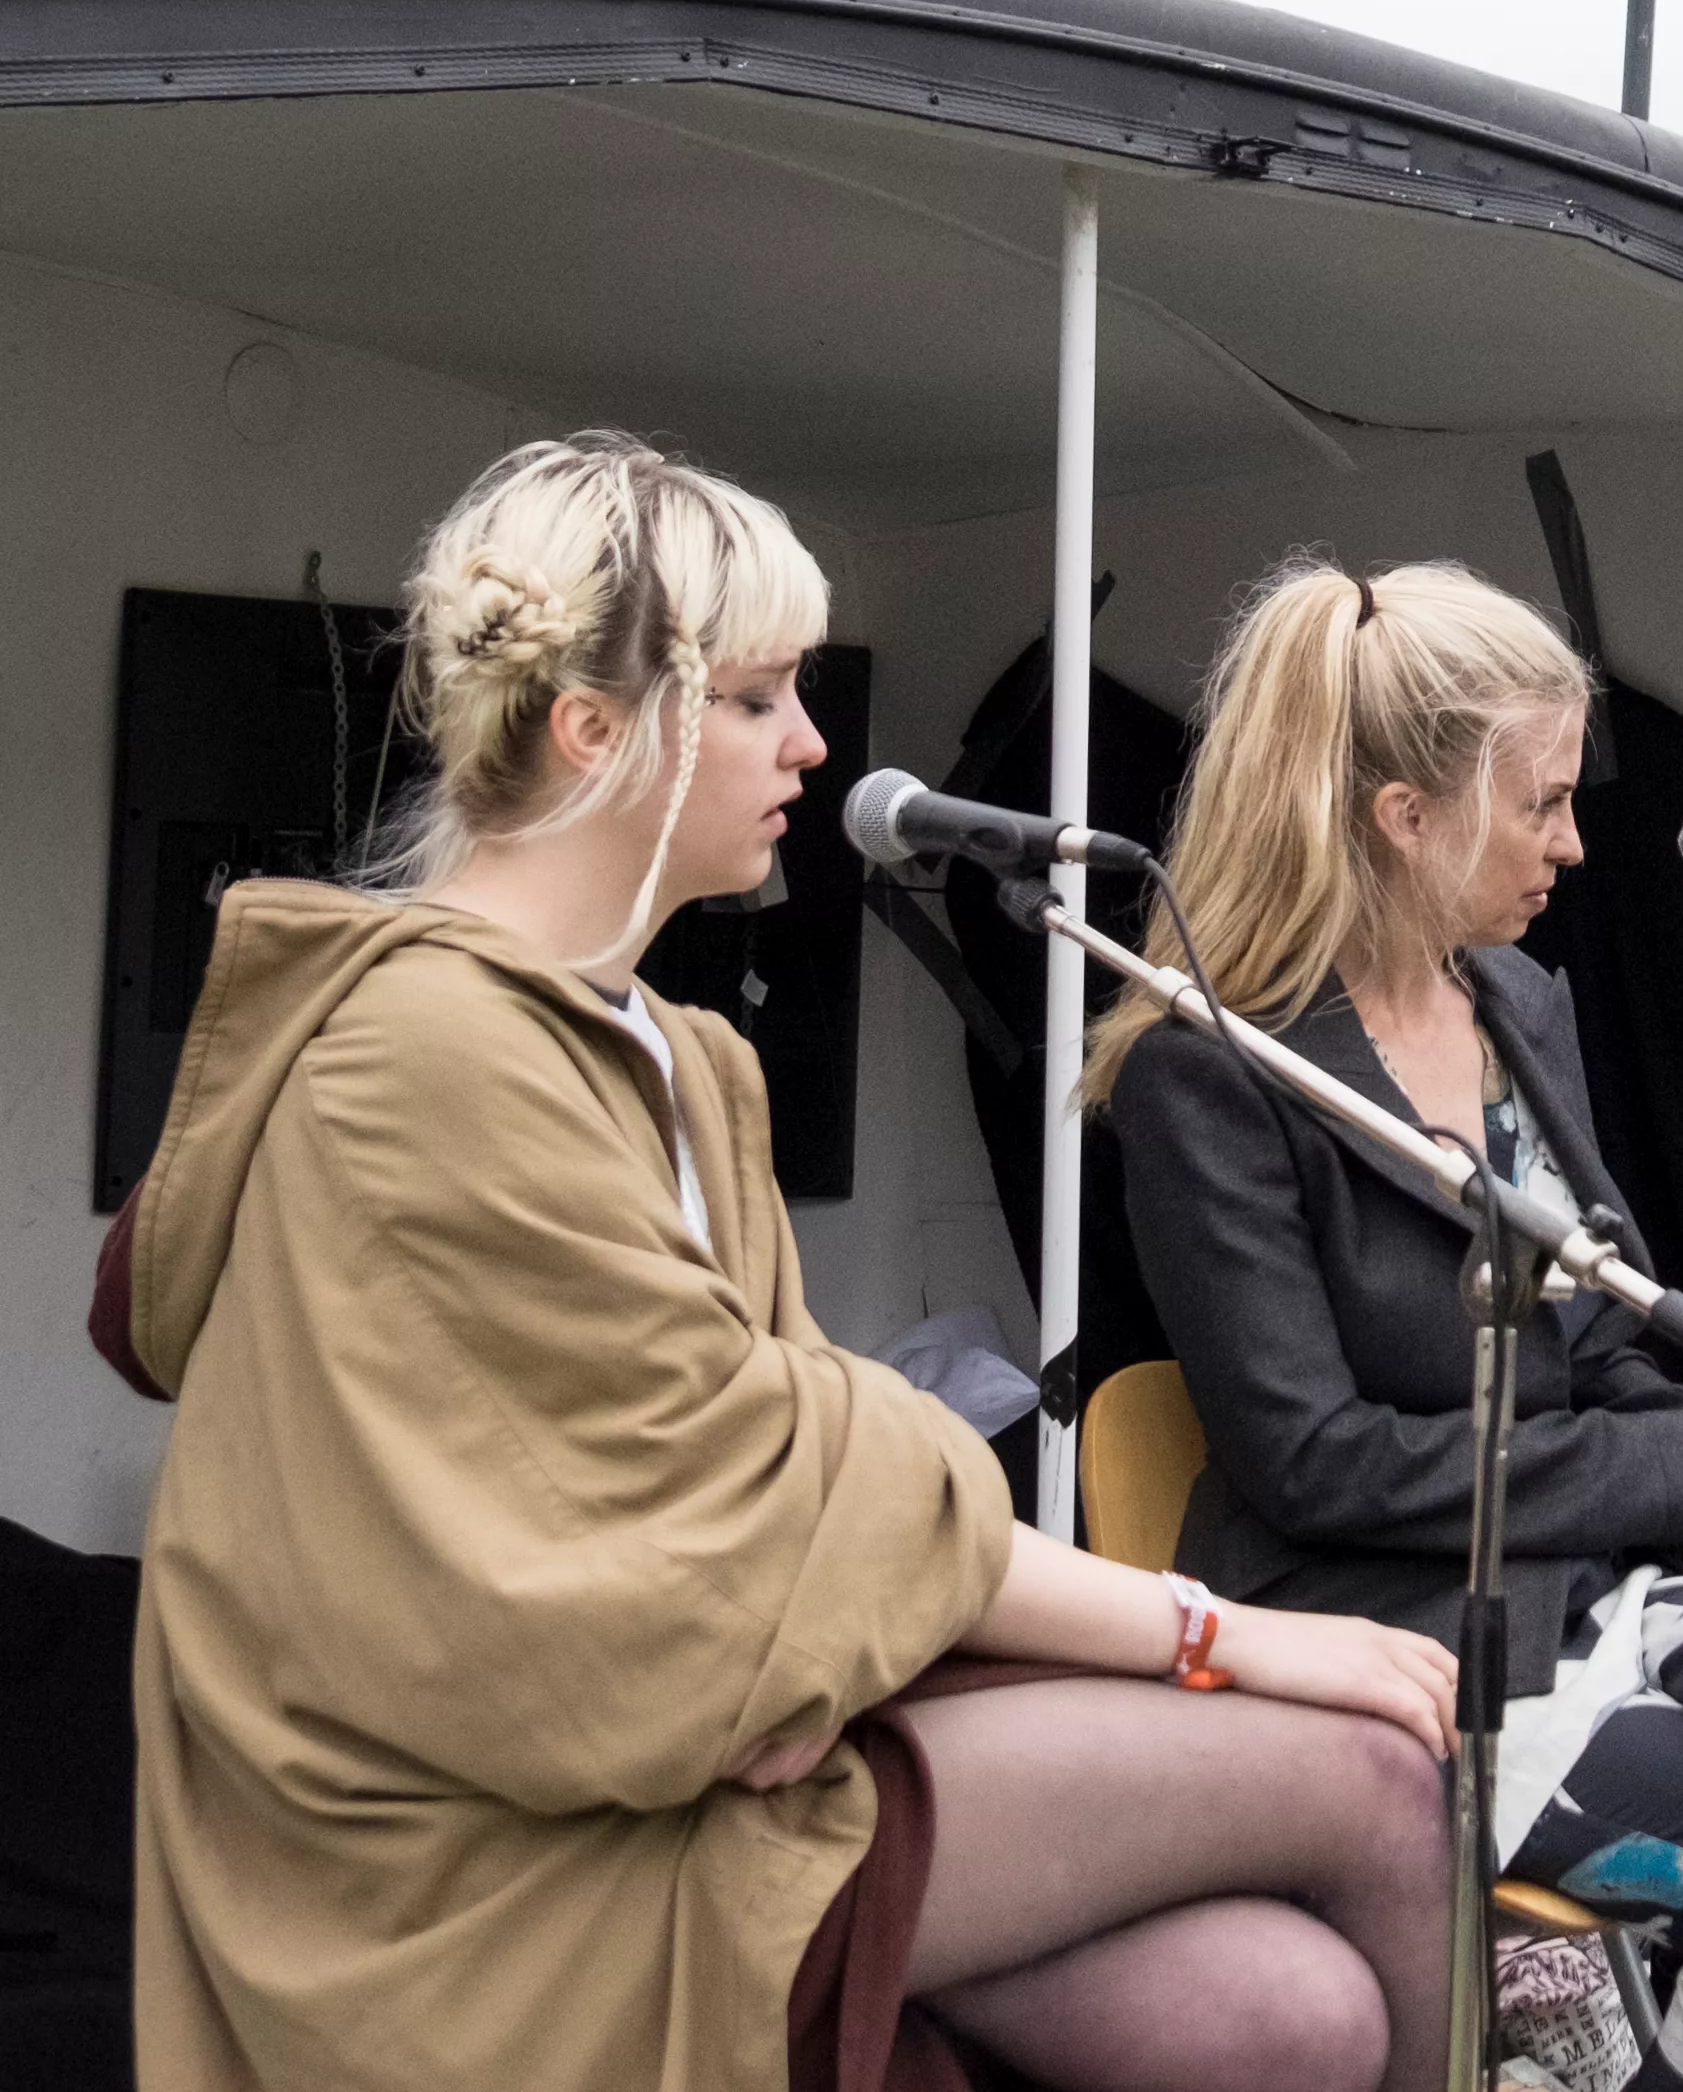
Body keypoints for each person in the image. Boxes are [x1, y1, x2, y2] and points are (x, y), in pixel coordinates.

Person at [109, 437, 1458, 2092]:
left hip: (689, 1763)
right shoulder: (425, 1054)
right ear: (591, 731)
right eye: (755, 696)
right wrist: (1223, 1630)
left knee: (1280, 2011)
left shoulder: (685, 1053)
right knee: (1380, 1770)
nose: (813, 742)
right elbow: (743, 1507)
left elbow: (795, 1480)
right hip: (486, 1868)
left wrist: (826, 1548)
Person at [1093, 557, 1683, 2092]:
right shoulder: (1211, 1074)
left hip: (1580, 1602)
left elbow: (1606, 1338)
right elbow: (1316, 1462)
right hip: (1375, 1649)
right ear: (1406, 817)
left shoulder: (1522, 1004)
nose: (1578, 845)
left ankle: (1650, 2061)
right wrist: (1675, 1471)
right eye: (1545, 805)